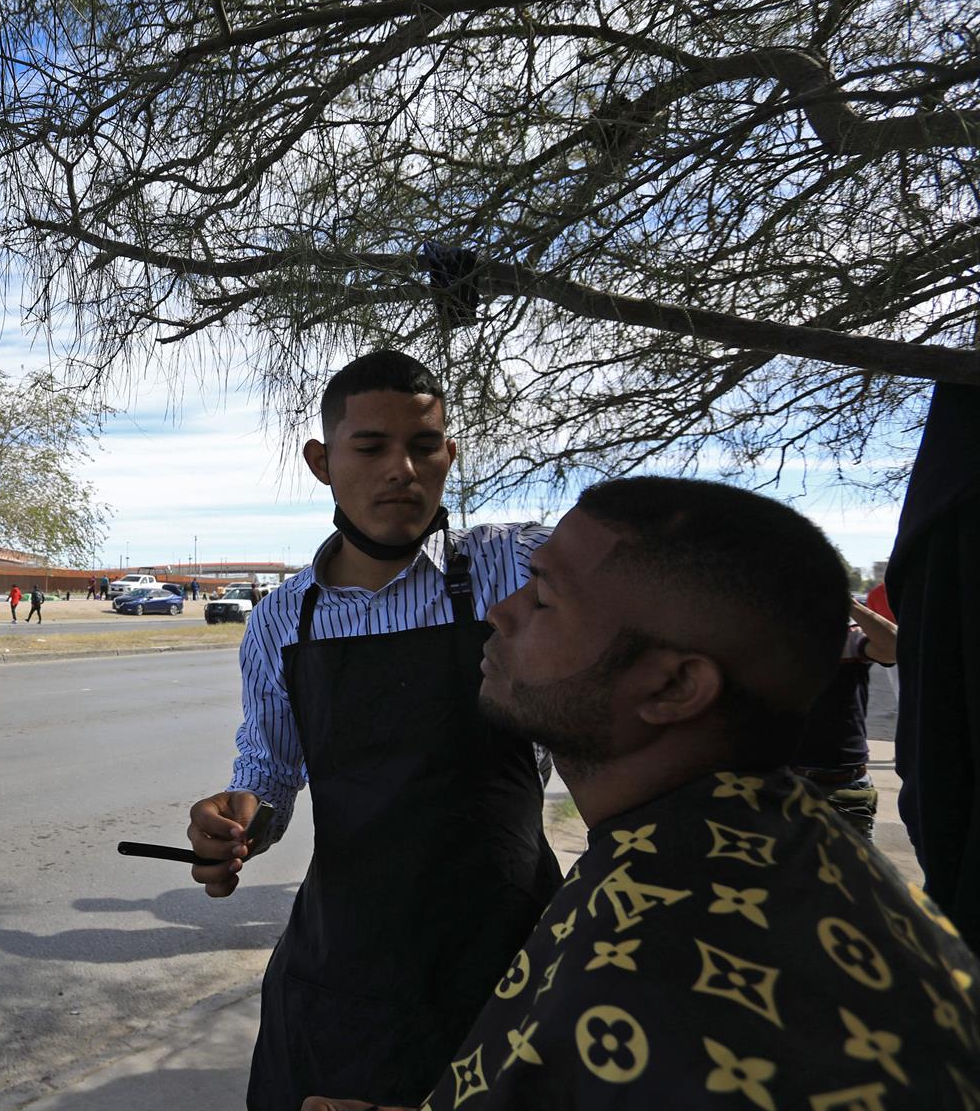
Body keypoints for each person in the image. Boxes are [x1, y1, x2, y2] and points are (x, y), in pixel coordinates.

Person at [307, 477, 980, 1110]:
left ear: (673, 688)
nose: (499, 611)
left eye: (542, 596)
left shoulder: (658, 966)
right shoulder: (768, 843)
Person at [185, 349, 558, 1111]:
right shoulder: (283, 619)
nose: (403, 470)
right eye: (372, 447)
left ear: (449, 455)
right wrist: (238, 824)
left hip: (511, 954)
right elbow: (270, 773)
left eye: (425, 447)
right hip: (346, 973)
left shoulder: (514, 568)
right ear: (322, 461)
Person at [789, 597, 899, 840]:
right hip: (783, 785)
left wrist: (849, 603)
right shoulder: (763, 642)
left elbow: (893, 647)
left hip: (844, 785)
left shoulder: (847, 636)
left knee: (853, 874)